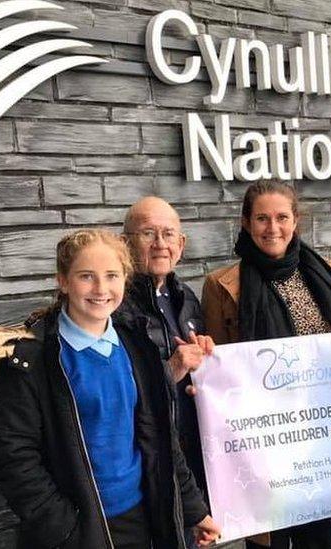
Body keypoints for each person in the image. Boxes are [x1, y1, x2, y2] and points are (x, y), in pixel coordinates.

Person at [0, 229, 220, 549]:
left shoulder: (136, 344)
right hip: (80, 530)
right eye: (86, 276)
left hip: (146, 518)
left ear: (125, 279)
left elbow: (161, 436)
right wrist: (65, 530)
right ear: (63, 281)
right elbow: (13, 458)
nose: (101, 289)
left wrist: (193, 510)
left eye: (111, 276)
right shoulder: (31, 360)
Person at [202, 181, 331, 549]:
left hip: (324, 442)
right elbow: (219, 373)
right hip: (264, 444)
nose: (272, 228)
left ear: (296, 221)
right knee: (269, 541)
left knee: (318, 539)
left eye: (281, 217)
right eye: (261, 218)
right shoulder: (223, 286)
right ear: (246, 223)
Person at [117, 196, 212, 545]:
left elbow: (190, 371)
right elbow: (119, 391)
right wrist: (171, 370)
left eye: (169, 234)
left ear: (181, 244)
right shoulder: (114, 304)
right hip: (143, 472)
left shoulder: (186, 296)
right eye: (148, 234)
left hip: (186, 466)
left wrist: (205, 370)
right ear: (125, 243)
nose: (160, 244)